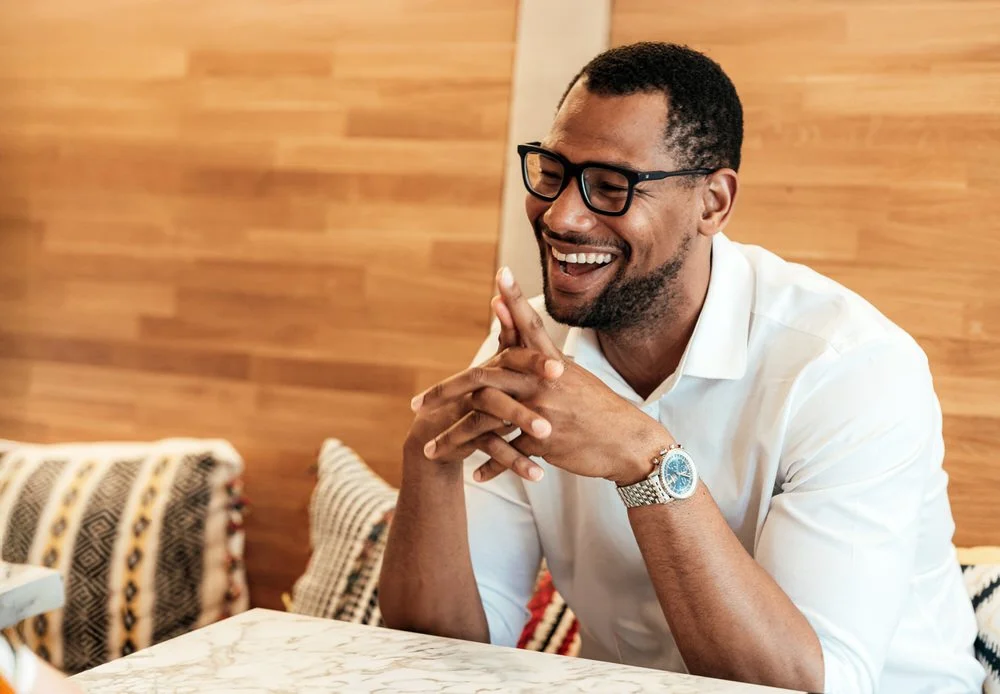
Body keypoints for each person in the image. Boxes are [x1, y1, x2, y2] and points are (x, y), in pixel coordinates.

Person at [379, 42, 985, 693]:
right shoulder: (531, 346)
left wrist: (644, 456)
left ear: (713, 203)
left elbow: (812, 685)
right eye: (552, 173)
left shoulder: (848, 367)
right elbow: (442, 653)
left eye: (611, 187)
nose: (561, 215)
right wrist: (428, 464)